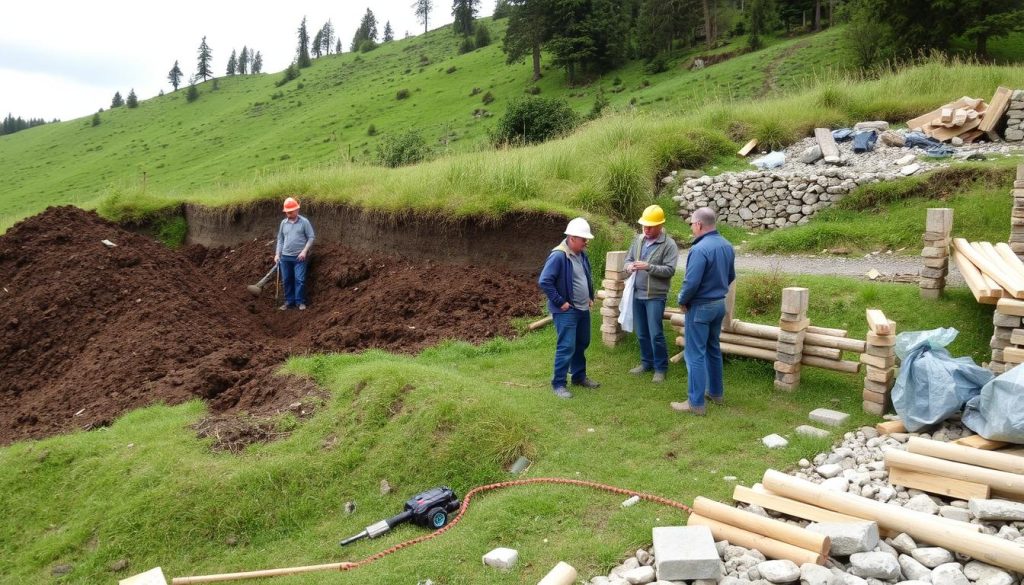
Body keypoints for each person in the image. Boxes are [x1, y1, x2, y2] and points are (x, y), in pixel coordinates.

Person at [673, 207, 735, 415]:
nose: (691, 228)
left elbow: (691, 282)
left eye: (691, 224)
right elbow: (730, 275)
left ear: (699, 224)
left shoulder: (699, 249)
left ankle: (695, 403)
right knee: (712, 349)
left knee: (694, 354)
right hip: (719, 305)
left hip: (700, 307)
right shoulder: (726, 245)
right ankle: (716, 393)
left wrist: (682, 299)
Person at [538, 217, 601, 399]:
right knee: (566, 346)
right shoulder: (558, 256)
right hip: (567, 311)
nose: (586, 242)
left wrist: (589, 296)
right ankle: (558, 384)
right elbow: (545, 281)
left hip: (582, 308)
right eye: (583, 239)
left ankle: (579, 377)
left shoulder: (581, 254)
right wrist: (560, 302)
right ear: (572, 238)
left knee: (582, 343)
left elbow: (585, 277)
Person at [625, 205, 679, 383]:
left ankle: (660, 368)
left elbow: (670, 270)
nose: (646, 230)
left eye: (650, 227)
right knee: (641, 333)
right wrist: (628, 266)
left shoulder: (669, 245)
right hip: (636, 293)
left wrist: (649, 267)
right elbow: (628, 259)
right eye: (644, 226)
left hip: (655, 296)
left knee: (656, 333)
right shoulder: (638, 240)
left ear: (660, 225)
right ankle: (646, 363)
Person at [274, 196, 315, 310]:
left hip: (299, 257)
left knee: (299, 279)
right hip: (285, 257)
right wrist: (277, 254)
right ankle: (288, 301)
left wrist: (304, 251)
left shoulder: (304, 222)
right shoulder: (283, 223)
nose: (288, 214)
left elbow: (311, 237)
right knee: (286, 280)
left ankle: (300, 301)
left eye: (290, 212)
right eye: (287, 212)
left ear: (297, 210)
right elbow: (280, 239)